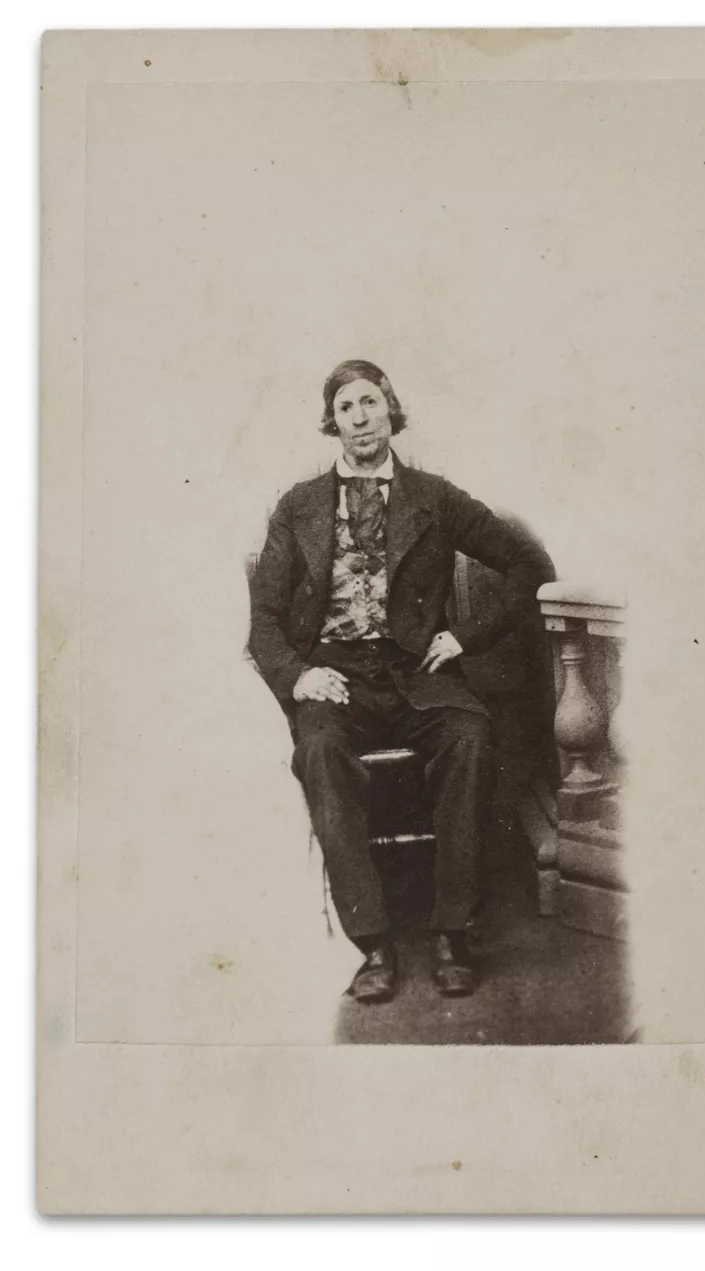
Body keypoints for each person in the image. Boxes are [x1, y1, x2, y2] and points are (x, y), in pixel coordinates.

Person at [248, 360, 554, 1003]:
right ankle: (371, 944)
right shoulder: (299, 506)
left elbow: (528, 565)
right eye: (346, 407)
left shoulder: (434, 498)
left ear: (390, 409)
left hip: (419, 675)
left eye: (370, 402)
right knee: (320, 751)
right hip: (335, 676)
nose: (360, 418)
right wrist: (300, 675)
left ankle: (453, 932)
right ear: (331, 422)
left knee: (470, 736)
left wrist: (466, 637)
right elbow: (265, 618)